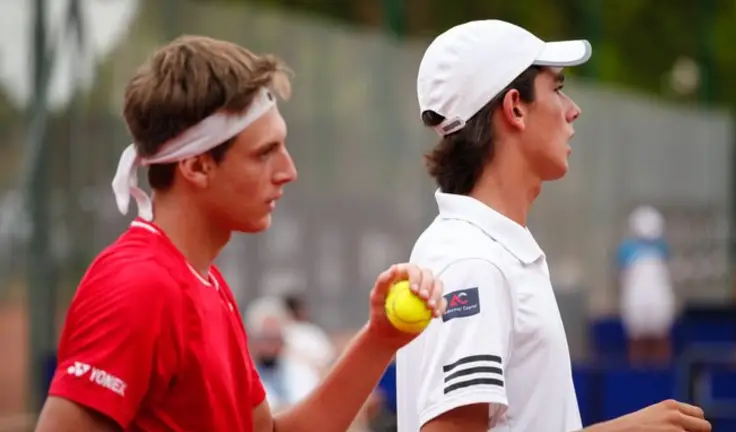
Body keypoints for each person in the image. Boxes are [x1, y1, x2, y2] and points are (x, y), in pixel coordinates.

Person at [34, 35, 446, 432]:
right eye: (264, 153)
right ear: (197, 166)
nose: (288, 171)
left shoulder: (206, 285)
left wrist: (380, 338)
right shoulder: (138, 286)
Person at [395, 20, 711, 432]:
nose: (573, 109)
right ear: (515, 108)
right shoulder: (473, 261)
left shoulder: (481, 249)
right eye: (558, 88)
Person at [616, 205, 676, 365]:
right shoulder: (627, 250)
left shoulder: (662, 249)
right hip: (636, 301)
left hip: (657, 301)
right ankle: (639, 375)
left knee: (659, 340)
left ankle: (661, 374)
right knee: (638, 342)